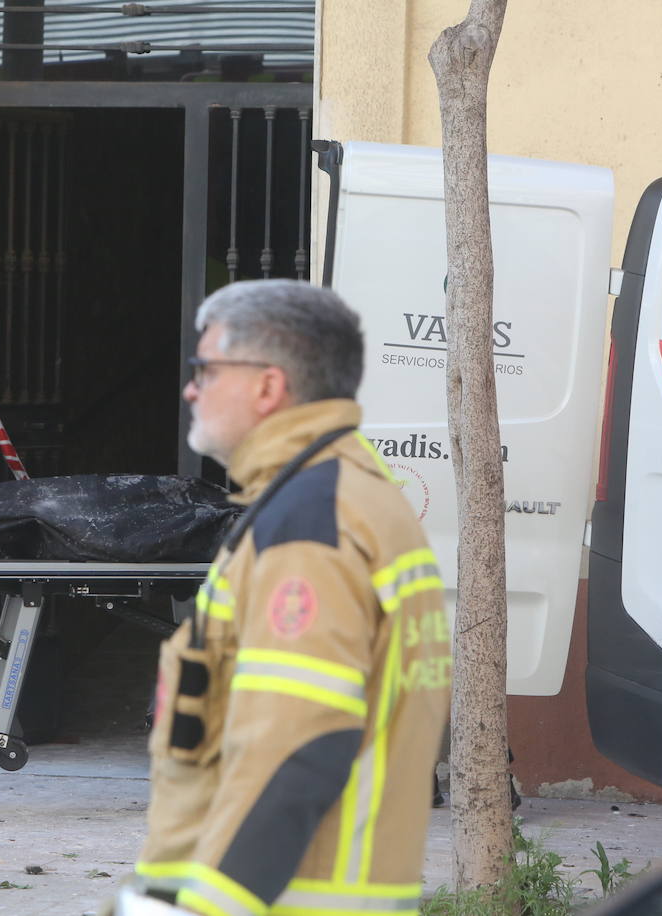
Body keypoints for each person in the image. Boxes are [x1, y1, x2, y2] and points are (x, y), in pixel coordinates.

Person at [126, 279, 451, 915]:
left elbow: (299, 741)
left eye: (206, 369)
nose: (192, 388)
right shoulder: (337, 496)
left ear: (267, 386)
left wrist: (201, 906)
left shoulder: (311, 521)